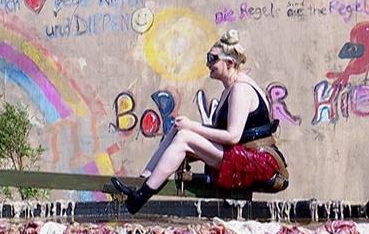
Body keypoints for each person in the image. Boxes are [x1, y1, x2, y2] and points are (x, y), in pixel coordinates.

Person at [111, 29, 287, 214]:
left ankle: (139, 199)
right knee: (179, 129)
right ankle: (144, 178)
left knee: (185, 137)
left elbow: (232, 136)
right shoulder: (230, 88)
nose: (208, 64)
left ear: (229, 63)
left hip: (258, 162)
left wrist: (192, 126)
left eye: (213, 59)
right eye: (208, 58)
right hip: (243, 155)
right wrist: (186, 125)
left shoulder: (240, 90)